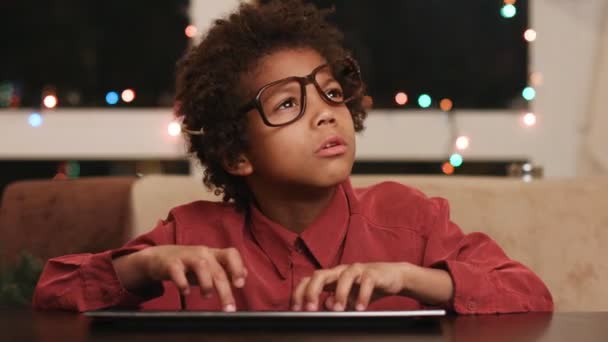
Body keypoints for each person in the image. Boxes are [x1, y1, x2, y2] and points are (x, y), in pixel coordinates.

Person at [33, 0, 553, 314]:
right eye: (287, 104)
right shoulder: (189, 237)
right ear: (236, 154)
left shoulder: (411, 220)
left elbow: (529, 295)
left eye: (331, 93)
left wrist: (414, 279)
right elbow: (52, 296)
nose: (326, 114)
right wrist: (142, 268)